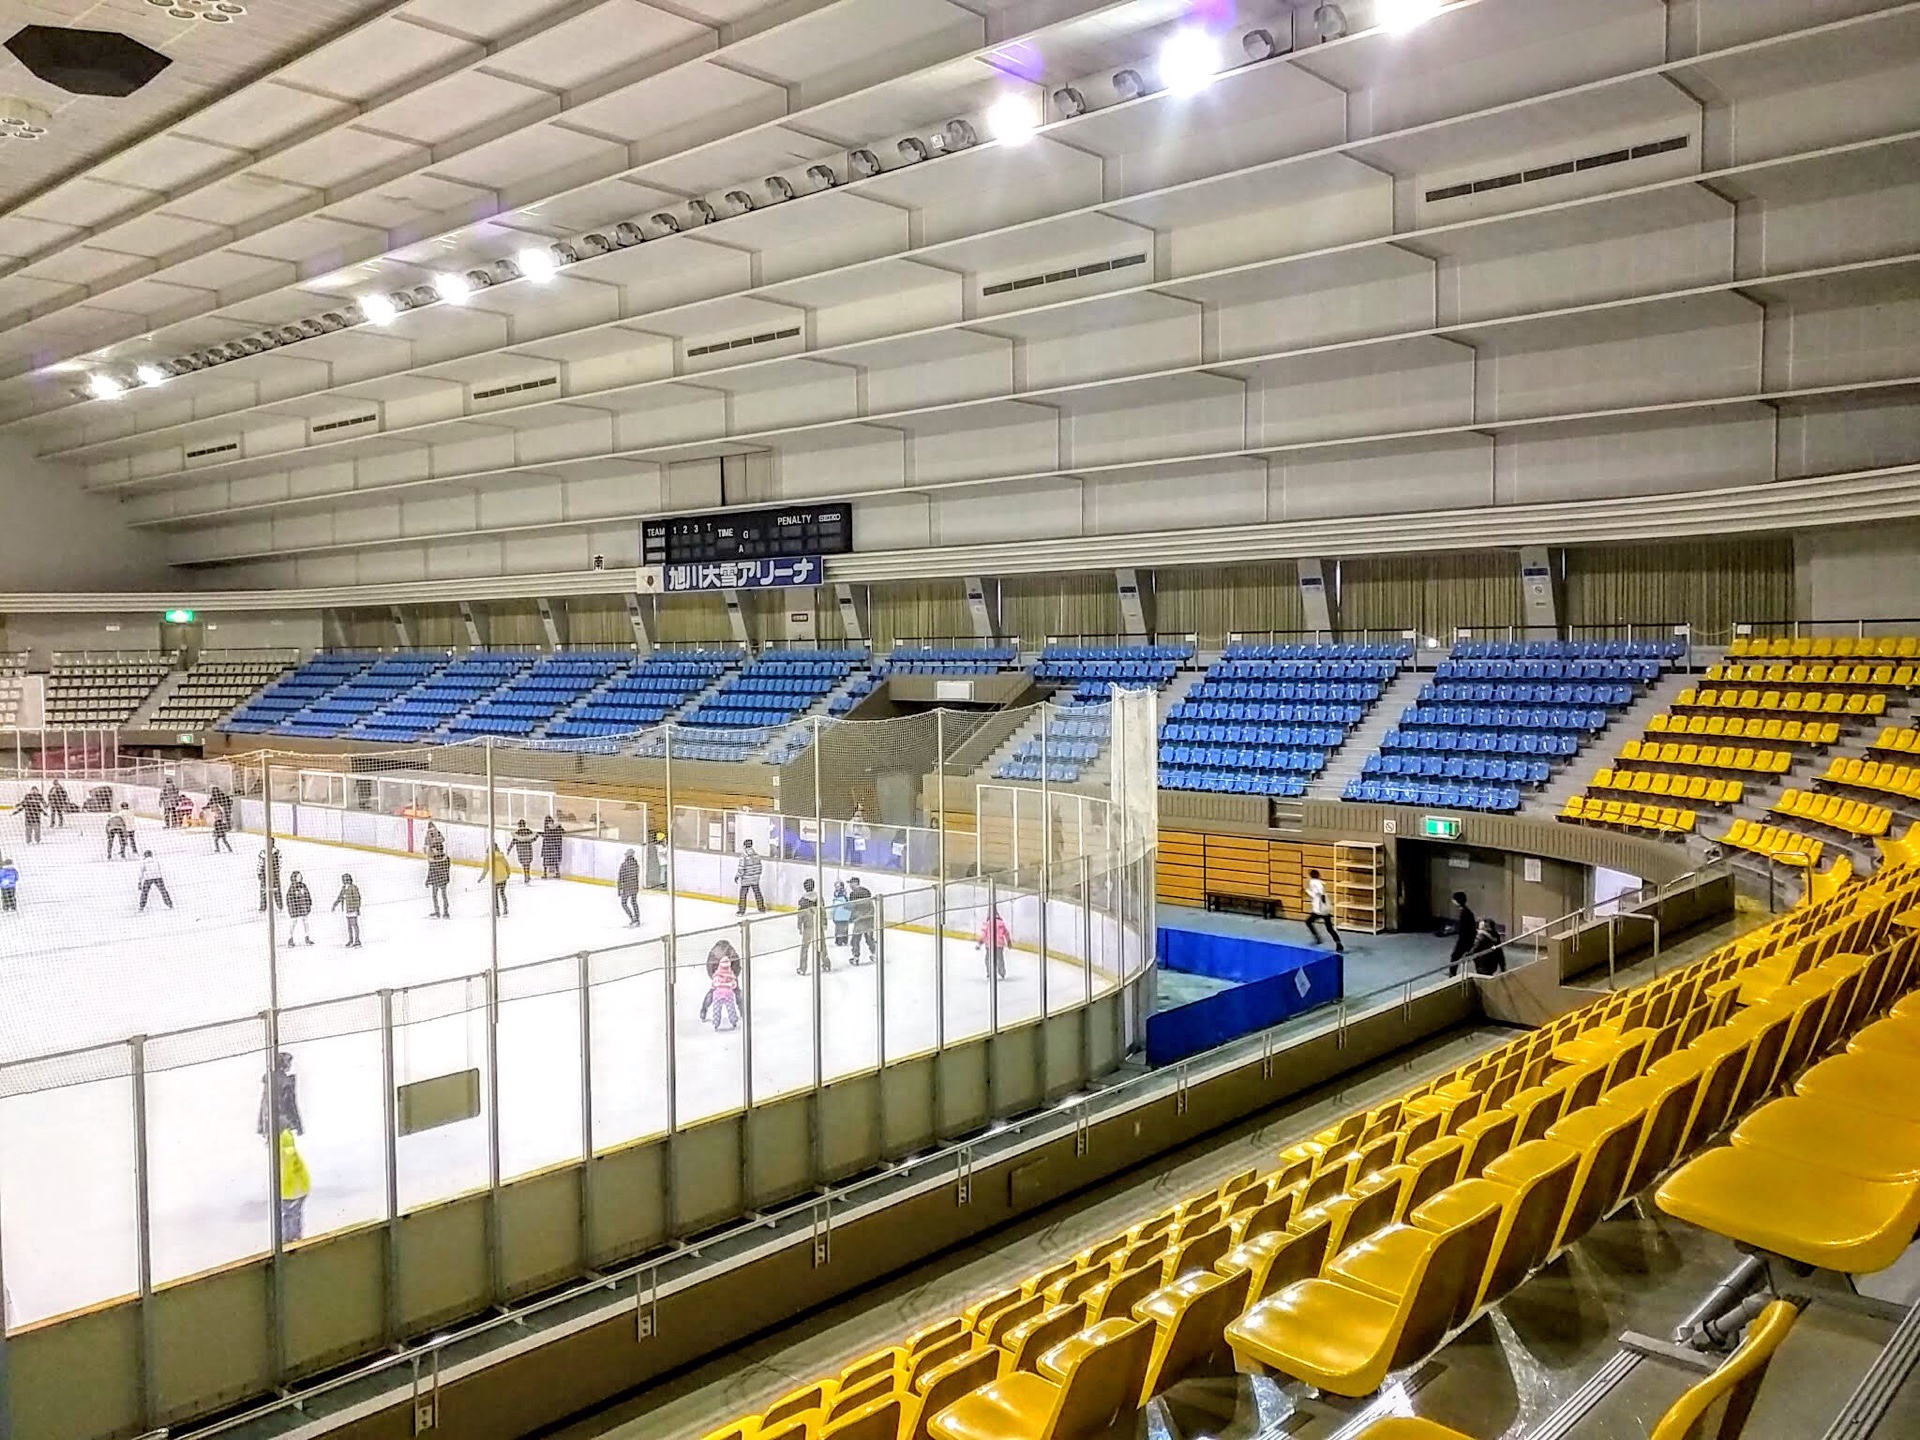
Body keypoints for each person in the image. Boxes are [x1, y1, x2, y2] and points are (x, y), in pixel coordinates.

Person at [256, 1051, 303, 1137]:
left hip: (268, 1120)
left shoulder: (269, 1081)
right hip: (282, 1120)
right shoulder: (286, 1082)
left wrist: (261, 1125)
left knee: (273, 1147)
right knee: (285, 1146)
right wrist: (297, 1124)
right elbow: (290, 1104)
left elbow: (263, 1104)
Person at [277, 1128, 310, 1244]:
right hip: (298, 1189)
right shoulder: (289, 1150)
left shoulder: (284, 1153)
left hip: (291, 1191)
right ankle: (294, 1238)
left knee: (289, 1216)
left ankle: (290, 1240)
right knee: (293, 1215)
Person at [702, 946, 742, 1033]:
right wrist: (733, 978)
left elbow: (710, 970)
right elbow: (737, 968)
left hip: (718, 990)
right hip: (729, 990)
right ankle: (740, 1014)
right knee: (737, 995)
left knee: (714, 1002)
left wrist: (715, 980)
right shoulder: (730, 952)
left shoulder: (715, 954)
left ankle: (705, 1012)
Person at [1304, 869, 1344, 953]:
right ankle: (1338, 943)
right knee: (1329, 928)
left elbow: (1318, 893)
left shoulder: (1314, 882)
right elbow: (1318, 893)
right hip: (1325, 909)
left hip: (1319, 909)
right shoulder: (1319, 882)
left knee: (1308, 922)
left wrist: (1308, 892)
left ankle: (1317, 937)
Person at [796, 878, 828, 975]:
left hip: (808, 927)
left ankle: (802, 968)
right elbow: (823, 911)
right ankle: (826, 964)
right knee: (822, 946)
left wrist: (799, 927)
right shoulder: (819, 898)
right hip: (818, 925)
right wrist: (824, 923)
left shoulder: (802, 901)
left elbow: (800, 915)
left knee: (805, 948)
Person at [846, 876, 877, 963]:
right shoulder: (867, 891)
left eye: (851, 883)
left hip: (859, 919)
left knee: (855, 939)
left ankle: (856, 957)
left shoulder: (853, 894)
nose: (850, 885)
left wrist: (851, 918)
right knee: (869, 938)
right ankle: (875, 953)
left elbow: (853, 907)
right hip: (869, 917)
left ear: (855, 883)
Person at [1448, 892, 1478, 978]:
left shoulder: (1465, 913)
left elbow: (1464, 928)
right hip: (1468, 939)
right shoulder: (1466, 912)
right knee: (1472, 956)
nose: (1452, 901)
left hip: (1465, 940)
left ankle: (1452, 974)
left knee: (1455, 957)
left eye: (1453, 899)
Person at [734, 839, 765, 915]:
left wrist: (737, 876)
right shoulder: (756, 855)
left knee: (743, 895)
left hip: (746, 878)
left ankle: (741, 911)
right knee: (757, 893)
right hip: (755, 878)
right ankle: (761, 908)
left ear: (744, 846)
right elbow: (760, 867)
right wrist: (757, 875)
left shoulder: (744, 856)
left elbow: (741, 868)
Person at [977, 907, 1010, 980]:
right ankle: (1002, 973)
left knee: (988, 959)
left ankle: (990, 972)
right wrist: (1009, 942)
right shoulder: (1001, 923)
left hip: (990, 945)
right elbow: (1006, 933)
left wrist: (979, 943)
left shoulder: (987, 923)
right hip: (999, 944)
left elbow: (983, 934)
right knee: (1000, 958)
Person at [332, 872, 362, 948]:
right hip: (347, 909)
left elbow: (357, 898)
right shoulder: (343, 888)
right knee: (349, 926)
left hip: (352, 909)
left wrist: (356, 908)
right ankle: (351, 940)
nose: (344, 881)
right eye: (343, 879)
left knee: (354, 925)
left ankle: (357, 940)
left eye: (345, 879)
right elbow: (340, 897)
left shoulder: (353, 887)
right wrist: (335, 905)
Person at [480, 844, 511, 916]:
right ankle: (505, 908)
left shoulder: (489, 858)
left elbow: (485, 869)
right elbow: (507, 866)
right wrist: (508, 874)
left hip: (495, 879)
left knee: (495, 895)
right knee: (502, 893)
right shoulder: (501, 856)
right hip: (503, 878)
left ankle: (497, 910)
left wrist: (481, 877)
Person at [285, 871, 314, 945]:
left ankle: (307, 937)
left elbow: (307, 895)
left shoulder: (303, 886)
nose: (299, 878)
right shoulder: (292, 888)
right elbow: (290, 899)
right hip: (295, 908)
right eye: (298, 876)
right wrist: (292, 909)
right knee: (293, 922)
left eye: (300, 876)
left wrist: (309, 904)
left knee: (306, 922)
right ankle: (290, 938)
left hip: (303, 907)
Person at [425, 842, 451, 918]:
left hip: (436, 880)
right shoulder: (446, 858)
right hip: (443, 880)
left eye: (433, 849)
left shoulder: (433, 860)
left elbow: (431, 871)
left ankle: (438, 912)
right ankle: (445, 912)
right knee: (443, 896)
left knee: (436, 896)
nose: (432, 851)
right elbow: (447, 869)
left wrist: (428, 880)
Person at [617, 848, 641, 926]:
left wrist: (619, 888)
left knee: (624, 903)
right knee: (634, 902)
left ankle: (632, 918)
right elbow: (636, 876)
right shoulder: (636, 864)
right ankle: (637, 918)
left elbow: (620, 877)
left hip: (627, 887)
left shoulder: (624, 865)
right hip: (634, 886)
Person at [258, 845, 283, 912]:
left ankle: (279, 906)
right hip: (264, 875)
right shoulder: (263, 853)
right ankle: (263, 907)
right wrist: (259, 873)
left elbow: (280, 863)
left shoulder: (277, 852)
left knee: (276, 890)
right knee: (264, 891)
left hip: (274, 875)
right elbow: (260, 864)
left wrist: (276, 872)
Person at [829, 880, 852, 950]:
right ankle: (845, 940)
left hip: (838, 918)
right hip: (846, 917)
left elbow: (833, 909)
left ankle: (839, 940)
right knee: (845, 929)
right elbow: (850, 908)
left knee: (838, 929)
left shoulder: (836, 901)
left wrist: (832, 916)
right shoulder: (847, 899)